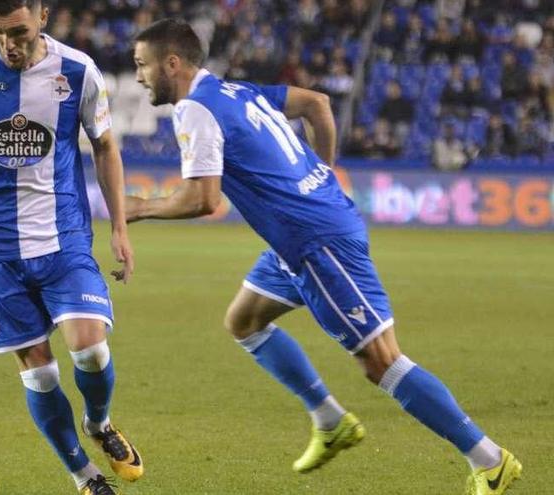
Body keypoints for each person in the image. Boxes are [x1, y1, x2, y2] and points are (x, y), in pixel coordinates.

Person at [127, 18, 521, 495]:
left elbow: (203, 200)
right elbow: (317, 104)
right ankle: (330, 419)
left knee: (381, 361)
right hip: (300, 237)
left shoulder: (194, 109)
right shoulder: (235, 91)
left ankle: (490, 459)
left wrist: (139, 207)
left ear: (172, 63)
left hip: (316, 241)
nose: (139, 76)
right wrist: (324, 171)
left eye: (142, 65)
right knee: (244, 321)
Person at [0, 1, 142, 494]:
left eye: (18, 32)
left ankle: (98, 423)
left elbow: (105, 146)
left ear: (43, 17)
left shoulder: (77, 71)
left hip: (62, 238)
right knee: (39, 371)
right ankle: (86, 477)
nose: (8, 43)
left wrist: (119, 226)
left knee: (91, 349)